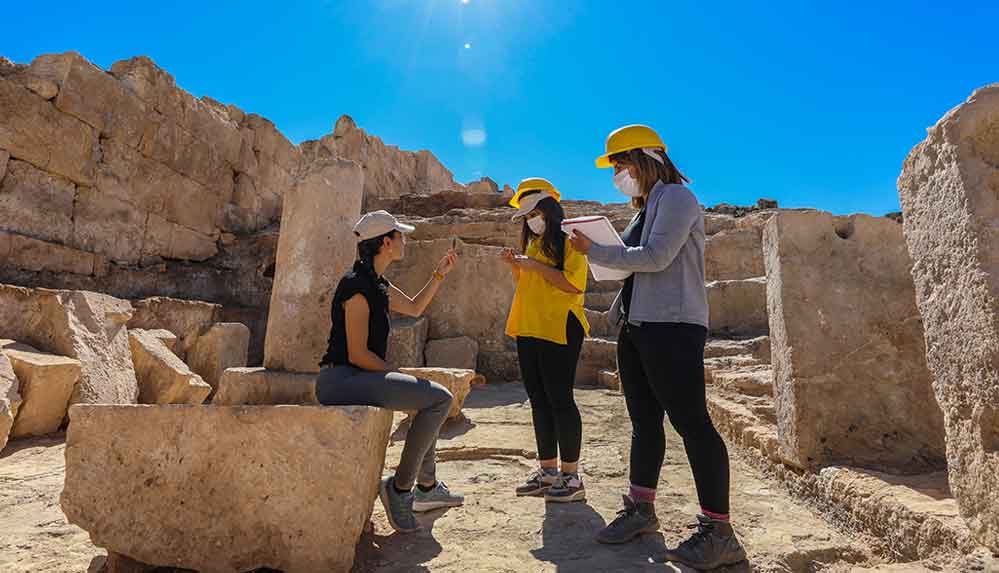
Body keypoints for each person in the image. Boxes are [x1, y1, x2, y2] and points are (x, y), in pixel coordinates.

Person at [569, 125, 746, 568]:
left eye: (621, 165)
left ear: (645, 159)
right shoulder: (645, 207)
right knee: (644, 424)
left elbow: (655, 258)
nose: (618, 174)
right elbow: (632, 267)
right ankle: (641, 509)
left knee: (692, 424)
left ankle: (719, 531)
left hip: (672, 326)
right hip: (639, 325)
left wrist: (595, 251)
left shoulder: (678, 199)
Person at [315, 210, 464, 534]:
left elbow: (412, 307)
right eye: (400, 236)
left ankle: (427, 488)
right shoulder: (356, 286)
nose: (404, 240)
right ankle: (399, 489)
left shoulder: (376, 283)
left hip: (359, 376)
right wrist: (396, 374)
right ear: (386, 242)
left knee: (426, 397)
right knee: (439, 398)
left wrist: (439, 275)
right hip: (341, 380)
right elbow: (356, 353)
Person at [501, 178, 590, 503]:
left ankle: (571, 476)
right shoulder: (534, 244)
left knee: (560, 399)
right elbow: (528, 283)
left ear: (549, 210)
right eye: (526, 216)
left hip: (560, 326)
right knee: (538, 399)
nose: (530, 220)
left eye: (534, 213)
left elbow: (573, 284)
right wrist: (518, 266)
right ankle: (548, 471)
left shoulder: (570, 240)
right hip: (529, 326)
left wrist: (534, 266)